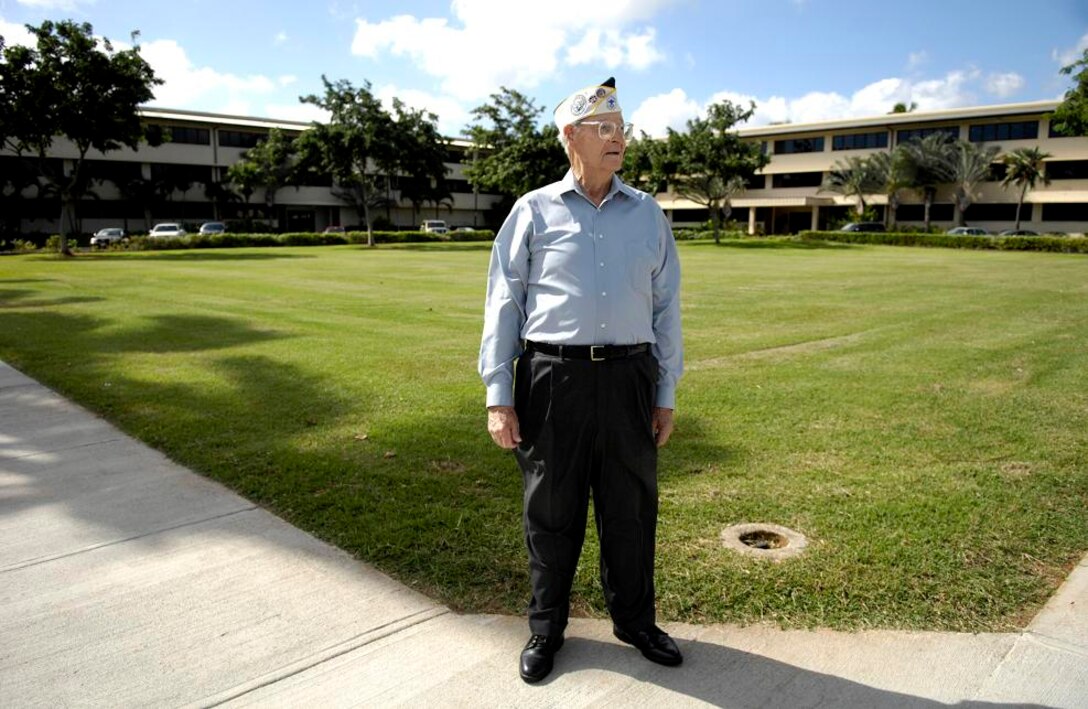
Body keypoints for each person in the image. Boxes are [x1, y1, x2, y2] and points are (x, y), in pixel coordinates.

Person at [478, 77, 683, 683]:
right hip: (552, 380)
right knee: (551, 511)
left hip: (629, 379)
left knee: (631, 509)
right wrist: (500, 396)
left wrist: (665, 392)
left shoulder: (647, 213)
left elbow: (665, 307)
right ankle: (547, 628)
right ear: (571, 137)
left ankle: (635, 621)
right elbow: (504, 304)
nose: (619, 139)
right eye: (605, 129)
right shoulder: (533, 209)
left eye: (622, 129)